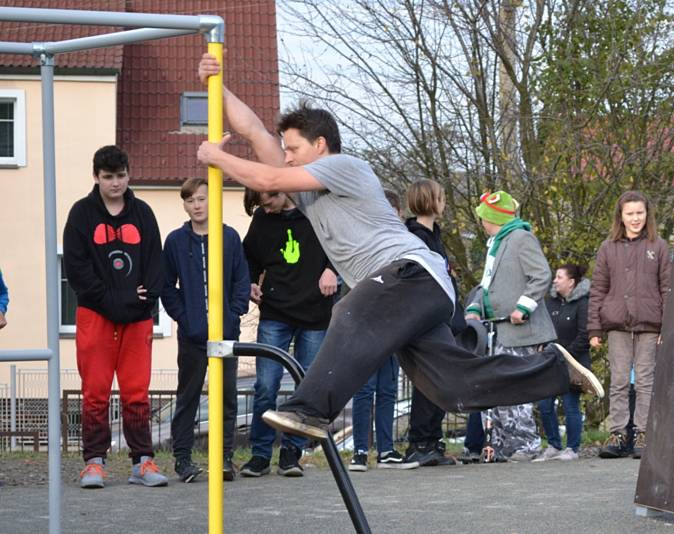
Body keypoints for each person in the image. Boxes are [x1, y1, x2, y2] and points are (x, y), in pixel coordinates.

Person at [194, 54, 602, 448]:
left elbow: (265, 175)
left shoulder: (343, 167)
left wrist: (216, 156)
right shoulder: (307, 189)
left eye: (293, 151)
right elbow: (254, 133)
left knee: (348, 310)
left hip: (410, 275)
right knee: (452, 387)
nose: (286, 158)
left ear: (320, 145)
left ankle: (310, 409)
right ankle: (554, 371)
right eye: (285, 152)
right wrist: (218, 85)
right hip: (414, 297)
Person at [63, 145, 167, 489]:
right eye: (108, 177)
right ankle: (94, 463)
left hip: (137, 318)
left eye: (121, 176)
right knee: (95, 391)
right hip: (95, 315)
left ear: (128, 174)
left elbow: (155, 264)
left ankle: (142, 461)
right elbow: (78, 271)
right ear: (96, 177)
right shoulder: (81, 215)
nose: (115, 184)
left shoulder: (144, 214)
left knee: (136, 390)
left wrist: (142, 299)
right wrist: (116, 298)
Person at [239, 187, 336, 478]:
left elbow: (344, 245)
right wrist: (250, 281)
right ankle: (259, 454)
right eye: (260, 204)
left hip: (314, 313)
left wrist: (332, 269)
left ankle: (291, 453)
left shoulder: (317, 211)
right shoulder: (262, 218)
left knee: (305, 387)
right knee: (266, 386)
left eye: (268, 200)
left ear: (281, 190)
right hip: (276, 313)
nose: (265, 208)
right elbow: (249, 256)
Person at [161, 177, 250, 483]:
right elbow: (166, 286)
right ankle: (183, 459)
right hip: (193, 336)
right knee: (187, 397)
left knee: (226, 396)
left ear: (212, 200)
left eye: (202, 199)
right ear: (184, 204)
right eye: (190, 200)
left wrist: (234, 313)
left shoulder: (229, 238)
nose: (197, 205)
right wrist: (184, 318)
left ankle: (224, 457)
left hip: (225, 334)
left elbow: (241, 280)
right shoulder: (175, 241)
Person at [464, 191, 554, 462]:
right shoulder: (496, 243)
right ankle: (503, 444)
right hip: (498, 330)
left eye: (483, 217)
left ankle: (525, 444)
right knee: (499, 390)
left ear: (494, 218)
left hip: (519, 330)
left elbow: (541, 275)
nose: (481, 222)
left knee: (517, 390)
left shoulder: (521, 238)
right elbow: (487, 284)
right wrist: (474, 307)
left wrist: (523, 307)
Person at [588, 190, 671, 459]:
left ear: (647, 215)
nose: (635, 218)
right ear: (620, 216)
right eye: (630, 214)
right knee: (620, 379)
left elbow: (668, 288)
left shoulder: (658, 246)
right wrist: (594, 328)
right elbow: (598, 289)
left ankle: (643, 433)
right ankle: (618, 432)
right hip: (617, 323)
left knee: (646, 380)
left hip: (650, 323)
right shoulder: (607, 247)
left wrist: (667, 325)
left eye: (640, 213)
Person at [402, 179, 465, 467]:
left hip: (442, 319)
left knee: (438, 383)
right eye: (441, 197)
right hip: (424, 321)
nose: (444, 202)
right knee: (428, 383)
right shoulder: (414, 238)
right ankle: (419, 443)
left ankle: (431, 440)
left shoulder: (434, 236)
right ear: (429, 201)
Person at [349, 189, 413, 472]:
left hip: (395, 324)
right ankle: (360, 449)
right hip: (367, 323)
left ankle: (386, 449)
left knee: (388, 389)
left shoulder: (405, 243)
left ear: (398, 214)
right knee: (365, 389)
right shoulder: (363, 242)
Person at [536, 263, 591, 462]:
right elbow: (542, 328)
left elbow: (585, 336)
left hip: (574, 363)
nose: (555, 280)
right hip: (550, 362)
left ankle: (572, 448)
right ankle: (553, 444)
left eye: (559, 277)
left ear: (571, 282)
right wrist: (541, 345)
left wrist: (566, 355)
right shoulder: (550, 302)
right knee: (544, 404)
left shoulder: (584, 303)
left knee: (570, 405)